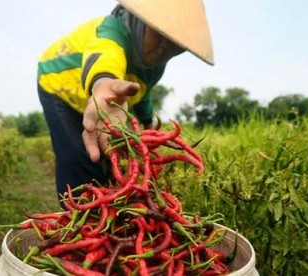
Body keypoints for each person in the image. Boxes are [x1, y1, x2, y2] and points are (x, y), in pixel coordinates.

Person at [37, 0, 214, 203]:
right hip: (58, 84)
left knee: (110, 160)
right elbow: (104, 56)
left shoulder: (155, 66)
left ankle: (102, 222)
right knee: (77, 159)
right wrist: (103, 83)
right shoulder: (113, 30)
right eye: (159, 35)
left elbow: (142, 90)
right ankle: (76, 222)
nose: (164, 48)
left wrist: (148, 119)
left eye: (176, 45)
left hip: (100, 104)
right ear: (141, 21)